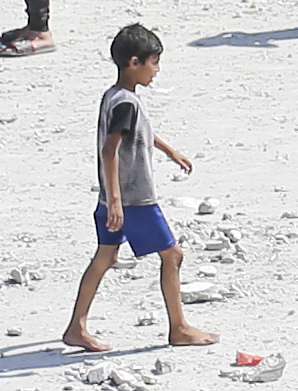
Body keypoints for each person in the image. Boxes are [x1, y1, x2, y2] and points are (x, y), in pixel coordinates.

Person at [67, 22, 207, 352]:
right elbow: (110, 149)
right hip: (133, 200)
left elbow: (136, 132)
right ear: (134, 62)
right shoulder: (127, 103)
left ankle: (76, 326)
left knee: (105, 256)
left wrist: (169, 150)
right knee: (173, 255)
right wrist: (117, 201)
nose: (156, 70)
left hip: (112, 197)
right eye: (153, 62)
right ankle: (179, 328)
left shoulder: (115, 97)